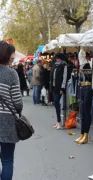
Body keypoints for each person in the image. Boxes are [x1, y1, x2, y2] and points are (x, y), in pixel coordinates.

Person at [0, 41, 23, 180]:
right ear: (8, 55)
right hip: (7, 122)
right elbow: (18, 102)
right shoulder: (11, 74)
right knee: (7, 160)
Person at [50, 53, 68, 129]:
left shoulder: (64, 65)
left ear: (60, 58)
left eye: (57, 58)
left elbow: (64, 77)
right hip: (54, 86)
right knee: (56, 103)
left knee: (57, 102)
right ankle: (58, 121)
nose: (56, 59)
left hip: (59, 87)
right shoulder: (55, 65)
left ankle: (59, 121)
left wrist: (62, 88)